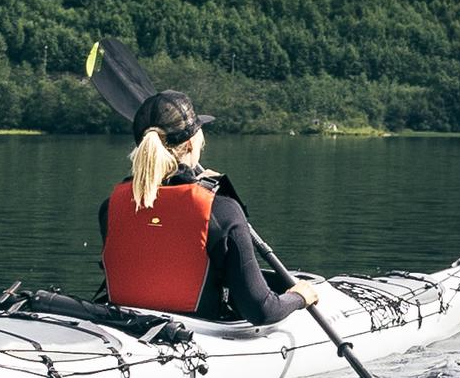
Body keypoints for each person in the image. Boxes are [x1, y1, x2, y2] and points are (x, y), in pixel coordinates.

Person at [98, 91, 316, 324]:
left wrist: (199, 186)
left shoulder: (110, 207)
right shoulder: (221, 209)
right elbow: (261, 310)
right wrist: (298, 297)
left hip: (126, 327)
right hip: (197, 339)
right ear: (192, 143)